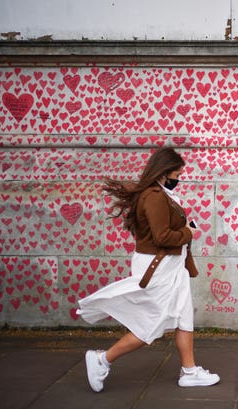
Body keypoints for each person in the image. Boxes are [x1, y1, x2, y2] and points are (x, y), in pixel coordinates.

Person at [77, 146, 219, 392]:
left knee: (184, 317)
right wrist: (189, 232)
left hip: (173, 267)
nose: (179, 179)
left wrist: (184, 228)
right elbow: (162, 236)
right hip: (159, 268)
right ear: (164, 172)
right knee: (150, 325)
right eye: (177, 174)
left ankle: (190, 371)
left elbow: (163, 229)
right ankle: (101, 359)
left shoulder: (161, 194)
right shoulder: (153, 196)